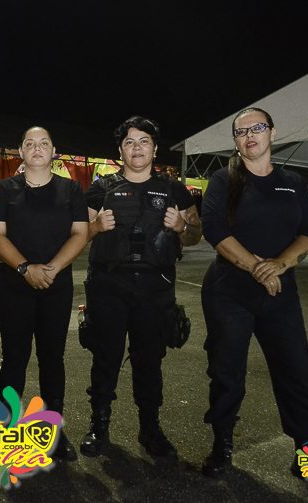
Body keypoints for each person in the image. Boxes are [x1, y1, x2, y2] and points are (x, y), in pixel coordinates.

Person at [199, 107, 308, 491]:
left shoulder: (292, 182)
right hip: (229, 292)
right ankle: (222, 445)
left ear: (272, 133)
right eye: (241, 131)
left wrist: (279, 264)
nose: (250, 136)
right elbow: (215, 230)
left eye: (257, 128)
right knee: (226, 372)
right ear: (235, 141)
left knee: (297, 370)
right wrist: (258, 269)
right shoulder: (223, 180)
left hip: (281, 292)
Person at [79, 116, 201, 459]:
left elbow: (196, 234)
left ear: (155, 149)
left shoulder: (174, 190)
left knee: (149, 361)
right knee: (105, 357)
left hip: (154, 288)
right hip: (108, 285)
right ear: (120, 150)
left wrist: (182, 227)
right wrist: (95, 227)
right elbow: (77, 234)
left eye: (144, 141)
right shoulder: (100, 188)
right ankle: (99, 425)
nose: (137, 148)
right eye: (130, 142)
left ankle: (150, 429)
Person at [0, 126, 88, 461]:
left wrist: (51, 269)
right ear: (21, 151)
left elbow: (80, 233)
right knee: (14, 358)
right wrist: (24, 268)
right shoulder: (5, 189)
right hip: (13, 286)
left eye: (43, 143)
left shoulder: (70, 189)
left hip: (56, 286)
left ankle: (53, 431)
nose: (37, 147)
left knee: (52, 358)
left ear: (53, 151)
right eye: (29, 143)